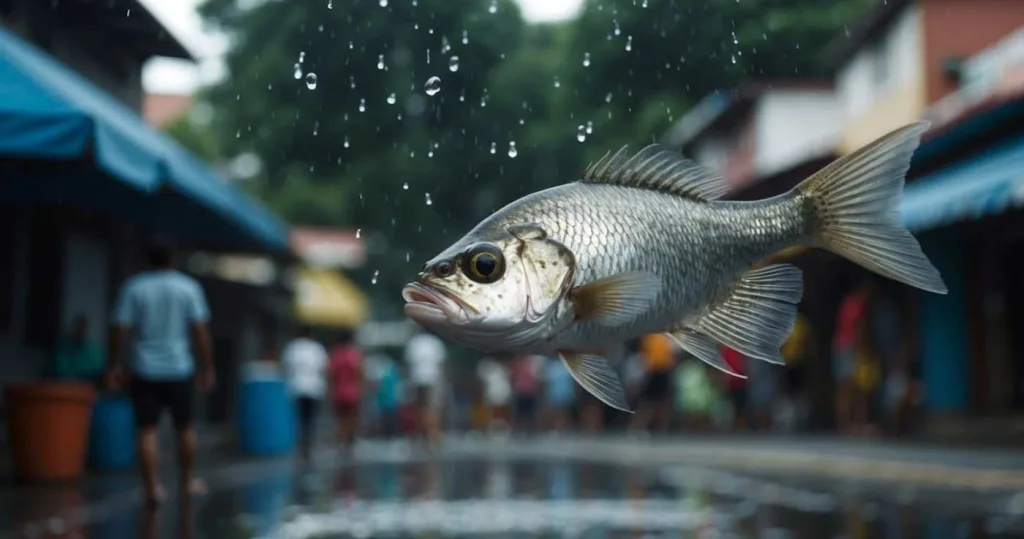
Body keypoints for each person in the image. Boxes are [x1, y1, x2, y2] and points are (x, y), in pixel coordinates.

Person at [105, 238, 215, 506]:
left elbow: (120, 329)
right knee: (185, 427)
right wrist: (207, 367)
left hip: (145, 368)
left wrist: (113, 364)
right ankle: (186, 480)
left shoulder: (135, 287)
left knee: (147, 430)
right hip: (180, 368)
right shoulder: (188, 288)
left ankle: (152, 488)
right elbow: (200, 331)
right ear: (174, 260)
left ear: (147, 259)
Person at [281, 326, 329, 463]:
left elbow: (285, 366)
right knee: (310, 419)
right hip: (313, 388)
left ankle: (300, 445)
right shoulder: (317, 349)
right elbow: (324, 368)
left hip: (296, 387)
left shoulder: (293, 348)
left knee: (298, 418)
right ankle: (307, 446)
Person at [403, 331, 447, 449]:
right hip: (432, 378)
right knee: (432, 409)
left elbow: (408, 365)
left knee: (418, 409)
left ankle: (420, 435)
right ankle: (433, 436)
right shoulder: (436, 342)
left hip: (416, 379)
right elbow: (441, 364)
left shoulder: (413, 343)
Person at [629, 334, 677, 434]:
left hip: (664, 371)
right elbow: (643, 354)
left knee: (663, 403)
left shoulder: (668, 337)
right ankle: (637, 428)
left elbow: (672, 355)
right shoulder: (649, 336)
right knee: (647, 403)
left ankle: (660, 429)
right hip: (652, 371)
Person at [328, 331, 363, 454]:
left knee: (341, 420)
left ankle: (342, 443)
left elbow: (331, 375)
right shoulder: (354, 355)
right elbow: (360, 373)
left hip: (339, 392)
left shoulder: (335, 355)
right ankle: (350, 443)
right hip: (353, 392)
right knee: (352, 419)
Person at [52, 315, 104, 383]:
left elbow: (99, 370)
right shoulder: (63, 347)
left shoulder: (94, 350)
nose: (79, 331)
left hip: (87, 385)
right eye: (77, 327)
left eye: (82, 328)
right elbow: (59, 368)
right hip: (65, 384)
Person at [542, 356, 575, 434]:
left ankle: (564, 427)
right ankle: (556, 427)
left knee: (564, 412)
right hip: (554, 392)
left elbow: (571, 380)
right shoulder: (550, 364)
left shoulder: (567, 365)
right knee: (555, 411)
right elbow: (548, 381)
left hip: (566, 392)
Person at [510, 355, 542, 433]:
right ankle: (518, 430)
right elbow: (513, 377)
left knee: (530, 413)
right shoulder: (517, 364)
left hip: (529, 392)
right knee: (519, 413)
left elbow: (535, 378)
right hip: (520, 392)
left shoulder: (531, 365)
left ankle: (530, 431)